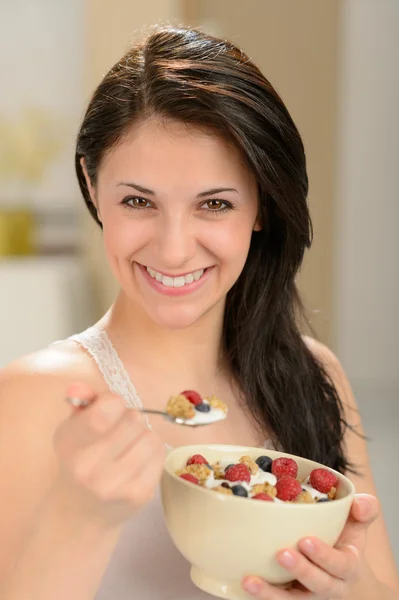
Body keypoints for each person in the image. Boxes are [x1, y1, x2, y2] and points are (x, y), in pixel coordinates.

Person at [0, 24, 398, 600]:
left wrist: (350, 589)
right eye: (139, 201)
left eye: (214, 204)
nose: (174, 249)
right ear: (91, 185)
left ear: (260, 206)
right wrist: (81, 517)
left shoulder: (315, 376)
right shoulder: (35, 399)